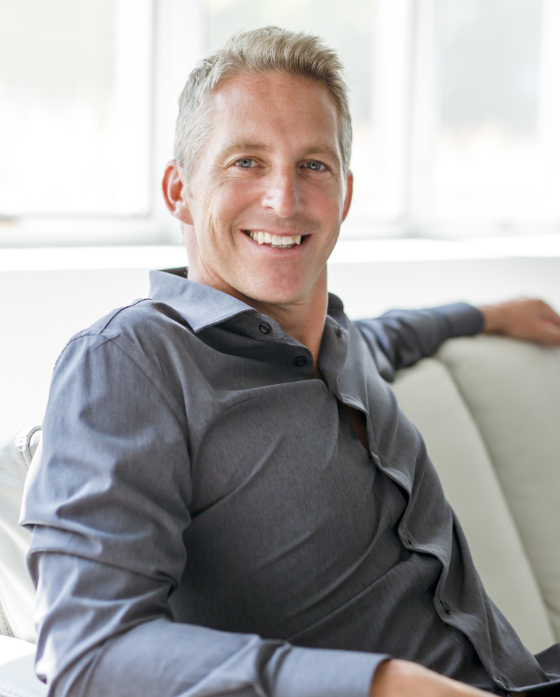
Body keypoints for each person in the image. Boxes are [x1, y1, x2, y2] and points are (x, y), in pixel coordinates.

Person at [21, 26, 560, 697]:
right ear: (177, 190)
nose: (285, 198)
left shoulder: (339, 342)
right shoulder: (130, 364)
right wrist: (380, 683)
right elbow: (89, 653)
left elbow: (390, 336)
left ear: (346, 195)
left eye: (314, 165)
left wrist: (489, 315)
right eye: (245, 161)